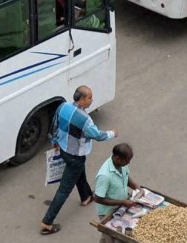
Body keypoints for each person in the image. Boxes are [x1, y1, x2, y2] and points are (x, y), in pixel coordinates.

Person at [41, 86, 116, 236]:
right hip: (75, 155)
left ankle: (86, 196)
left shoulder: (63, 106)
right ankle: (47, 222)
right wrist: (112, 133)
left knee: (79, 171)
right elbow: (98, 135)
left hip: (64, 150)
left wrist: (55, 141)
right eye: (89, 97)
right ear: (81, 99)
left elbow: (54, 125)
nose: (91, 100)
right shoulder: (85, 119)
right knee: (64, 189)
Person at [94, 143, 141, 242]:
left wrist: (136, 187)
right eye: (127, 161)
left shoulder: (121, 165)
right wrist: (122, 202)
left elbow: (126, 177)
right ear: (118, 158)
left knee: (114, 236)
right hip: (107, 213)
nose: (129, 163)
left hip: (121, 208)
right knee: (109, 237)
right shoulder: (105, 176)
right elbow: (97, 198)